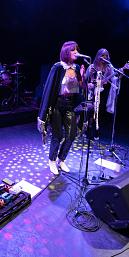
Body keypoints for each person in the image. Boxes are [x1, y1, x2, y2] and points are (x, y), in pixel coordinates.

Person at [37, 41, 86, 175]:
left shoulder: (76, 68)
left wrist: (82, 75)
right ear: (66, 52)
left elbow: (81, 88)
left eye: (77, 49)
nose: (76, 52)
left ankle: (61, 159)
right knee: (57, 136)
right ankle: (52, 161)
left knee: (71, 135)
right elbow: (49, 89)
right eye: (72, 50)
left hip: (70, 105)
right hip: (58, 105)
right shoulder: (58, 67)